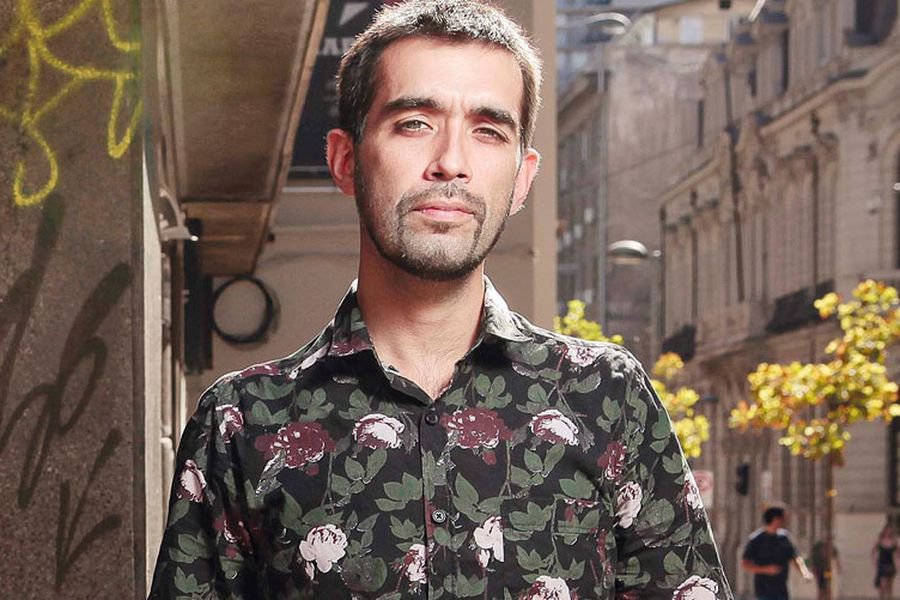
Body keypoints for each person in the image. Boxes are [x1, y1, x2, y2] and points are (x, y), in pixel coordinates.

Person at [149, 1, 732, 598]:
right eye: (414, 124)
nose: (451, 163)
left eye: (488, 131)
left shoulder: (607, 399)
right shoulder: (241, 424)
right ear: (345, 160)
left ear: (522, 179)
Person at [742, 506, 812, 600]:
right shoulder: (756, 540)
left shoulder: (784, 538)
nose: (785, 521)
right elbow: (745, 564)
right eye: (783, 518)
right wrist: (766, 570)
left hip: (782, 590)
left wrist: (804, 572)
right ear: (775, 519)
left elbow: (795, 557)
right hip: (763, 591)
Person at [874, 523, 898, 600]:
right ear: (884, 530)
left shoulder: (894, 542)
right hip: (882, 565)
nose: (888, 531)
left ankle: (890, 598)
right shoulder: (880, 541)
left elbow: (898, 553)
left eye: (890, 530)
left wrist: (898, 563)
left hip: (891, 565)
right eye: (887, 529)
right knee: (883, 585)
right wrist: (875, 561)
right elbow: (873, 551)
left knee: (890, 586)